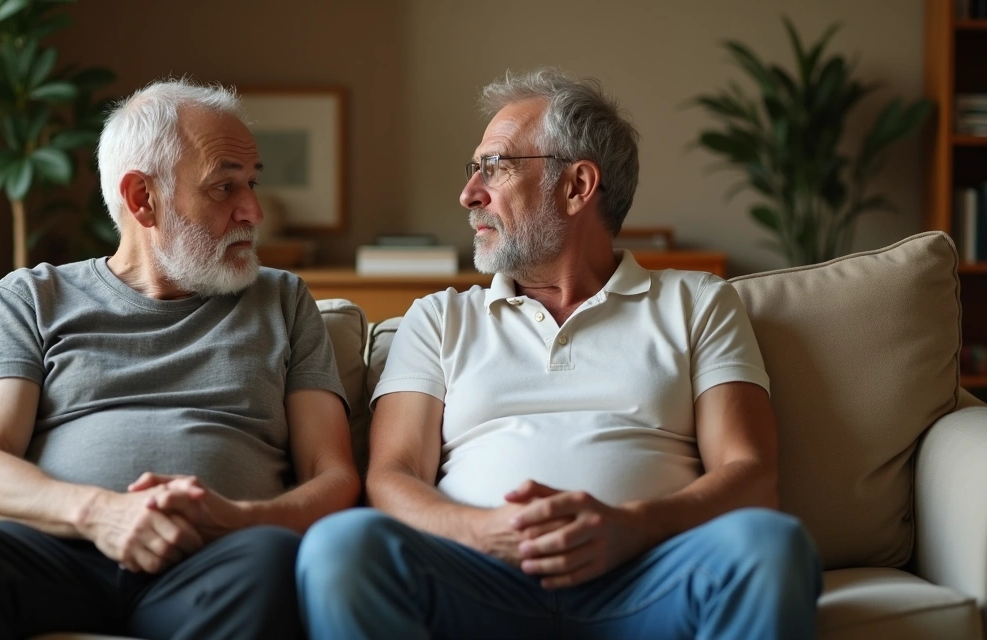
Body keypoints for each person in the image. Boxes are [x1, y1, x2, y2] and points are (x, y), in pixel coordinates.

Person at [297, 68, 822, 639]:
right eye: (474, 170)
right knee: (341, 546)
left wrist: (632, 525)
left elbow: (750, 474)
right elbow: (391, 477)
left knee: (770, 545)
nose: (469, 194)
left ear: (577, 186)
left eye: (494, 166)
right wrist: (484, 532)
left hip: (648, 577)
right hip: (475, 579)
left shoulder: (697, 302)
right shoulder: (439, 318)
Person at [0, 79, 360, 640]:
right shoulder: (32, 297)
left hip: (217, 559)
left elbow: (333, 475)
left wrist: (239, 519)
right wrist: (103, 515)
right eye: (224, 186)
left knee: (273, 560)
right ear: (142, 198)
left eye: (251, 183)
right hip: (56, 553)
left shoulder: (282, 300)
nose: (252, 211)